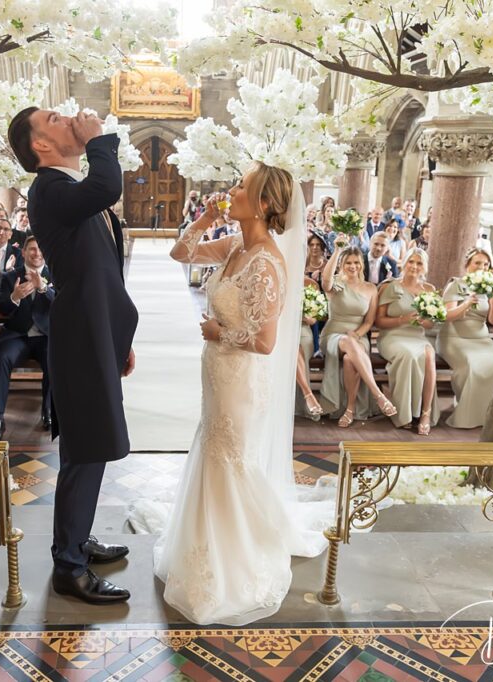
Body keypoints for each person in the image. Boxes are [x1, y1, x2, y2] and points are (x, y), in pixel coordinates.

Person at [150, 163, 327, 625]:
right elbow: (179, 252)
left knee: (230, 458)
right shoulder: (233, 245)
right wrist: (207, 218)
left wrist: (217, 332)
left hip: (241, 379)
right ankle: (208, 543)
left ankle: (239, 556)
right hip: (218, 374)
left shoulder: (267, 261)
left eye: (242, 187)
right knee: (214, 452)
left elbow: (266, 343)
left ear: (265, 204)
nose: (232, 190)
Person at [9, 106, 137, 605]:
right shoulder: (50, 189)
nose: (69, 119)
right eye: (55, 119)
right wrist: (99, 140)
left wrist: (118, 340)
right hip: (81, 337)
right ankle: (69, 566)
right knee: (86, 449)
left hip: (94, 333)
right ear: (41, 145)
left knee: (91, 444)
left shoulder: (67, 189)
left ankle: (75, 540)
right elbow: (107, 187)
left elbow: (103, 269)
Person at [318, 240, 397, 427]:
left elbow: (369, 321)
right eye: (348, 263)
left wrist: (357, 334)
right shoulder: (336, 284)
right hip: (333, 335)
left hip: (358, 336)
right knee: (347, 341)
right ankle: (378, 395)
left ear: (361, 264)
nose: (352, 266)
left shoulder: (370, 288)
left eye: (356, 262)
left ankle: (350, 409)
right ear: (342, 265)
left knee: (349, 359)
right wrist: (337, 250)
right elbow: (325, 280)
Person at [0, 236, 54, 440]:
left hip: (44, 336)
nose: (37, 253)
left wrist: (43, 289)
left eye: (40, 249)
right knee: (1, 359)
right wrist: (15, 297)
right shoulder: (10, 277)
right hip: (17, 334)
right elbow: (3, 309)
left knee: (54, 359)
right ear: (23, 252)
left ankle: (48, 411)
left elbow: (62, 306)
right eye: (32, 249)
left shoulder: (55, 274)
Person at [375, 248, 439, 434]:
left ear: (424, 267)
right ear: (404, 263)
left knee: (428, 355)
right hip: (393, 336)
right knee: (409, 355)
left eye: (419, 263)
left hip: (417, 336)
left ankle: (425, 412)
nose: (414, 266)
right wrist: (402, 320)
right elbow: (379, 321)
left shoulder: (429, 290)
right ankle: (403, 413)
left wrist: (424, 320)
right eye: (411, 261)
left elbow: (430, 325)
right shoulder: (389, 287)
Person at [437, 248, 493, 429]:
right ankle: (465, 414)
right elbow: (447, 315)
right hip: (454, 337)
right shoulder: (456, 284)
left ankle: (483, 415)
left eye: (486, 264)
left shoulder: (490, 288)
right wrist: (466, 303)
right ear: (467, 266)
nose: (481, 267)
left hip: (481, 338)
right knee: (470, 366)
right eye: (477, 263)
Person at [295, 275, 324, 421]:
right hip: (280, 329)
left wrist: (299, 316)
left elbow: (313, 319)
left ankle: (307, 395)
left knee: (296, 347)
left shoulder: (311, 284)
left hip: (303, 330)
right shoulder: (275, 277)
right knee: (291, 347)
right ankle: (308, 394)